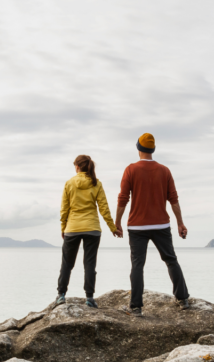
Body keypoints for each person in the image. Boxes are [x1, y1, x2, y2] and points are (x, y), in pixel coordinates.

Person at [113, 133, 190, 316]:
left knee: (137, 265)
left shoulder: (130, 170)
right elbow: (174, 200)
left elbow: (123, 199)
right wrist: (180, 223)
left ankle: (136, 307)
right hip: (161, 225)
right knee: (171, 260)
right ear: (153, 150)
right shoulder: (165, 170)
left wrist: (117, 223)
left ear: (138, 149)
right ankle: (183, 299)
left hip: (137, 227)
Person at [55, 154, 120, 308]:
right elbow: (104, 208)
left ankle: (61, 295)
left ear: (77, 167)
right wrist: (113, 227)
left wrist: (63, 228)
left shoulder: (69, 183)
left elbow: (64, 209)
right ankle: (89, 298)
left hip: (73, 228)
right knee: (89, 263)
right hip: (92, 228)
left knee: (67, 264)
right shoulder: (96, 183)